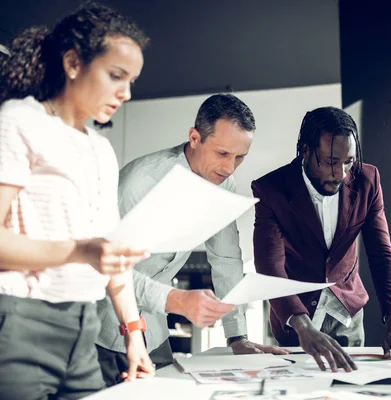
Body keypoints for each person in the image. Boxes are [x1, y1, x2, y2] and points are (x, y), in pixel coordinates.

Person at [0, 3, 155, 399]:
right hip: (20, 325)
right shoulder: (19, 121)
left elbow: (108, 252)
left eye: (132, 80)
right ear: (73, 63)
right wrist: (79, 250)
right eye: (116, 76)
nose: (126, 92)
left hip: (83, 332)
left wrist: (133, 333)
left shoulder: (102, 150)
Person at [95, 93, 288, 386]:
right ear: (194, 138)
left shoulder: (224, 182)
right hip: (103, 333)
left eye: (240, 157)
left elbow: (226, 259)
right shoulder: (140, 182)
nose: (229, 168)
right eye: (223, 154)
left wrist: (237, 336)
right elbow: (103, 267)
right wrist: (177, 301)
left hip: (155, 334)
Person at [252, 107, 391, 372]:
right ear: (305, 150)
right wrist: (303, 326)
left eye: (348, 161)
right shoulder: (271, 189)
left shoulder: (367, 180)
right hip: (296, 318)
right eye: (330, 162)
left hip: (348, 313)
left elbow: (381, 253)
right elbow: (270, 266)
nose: (340, 173)